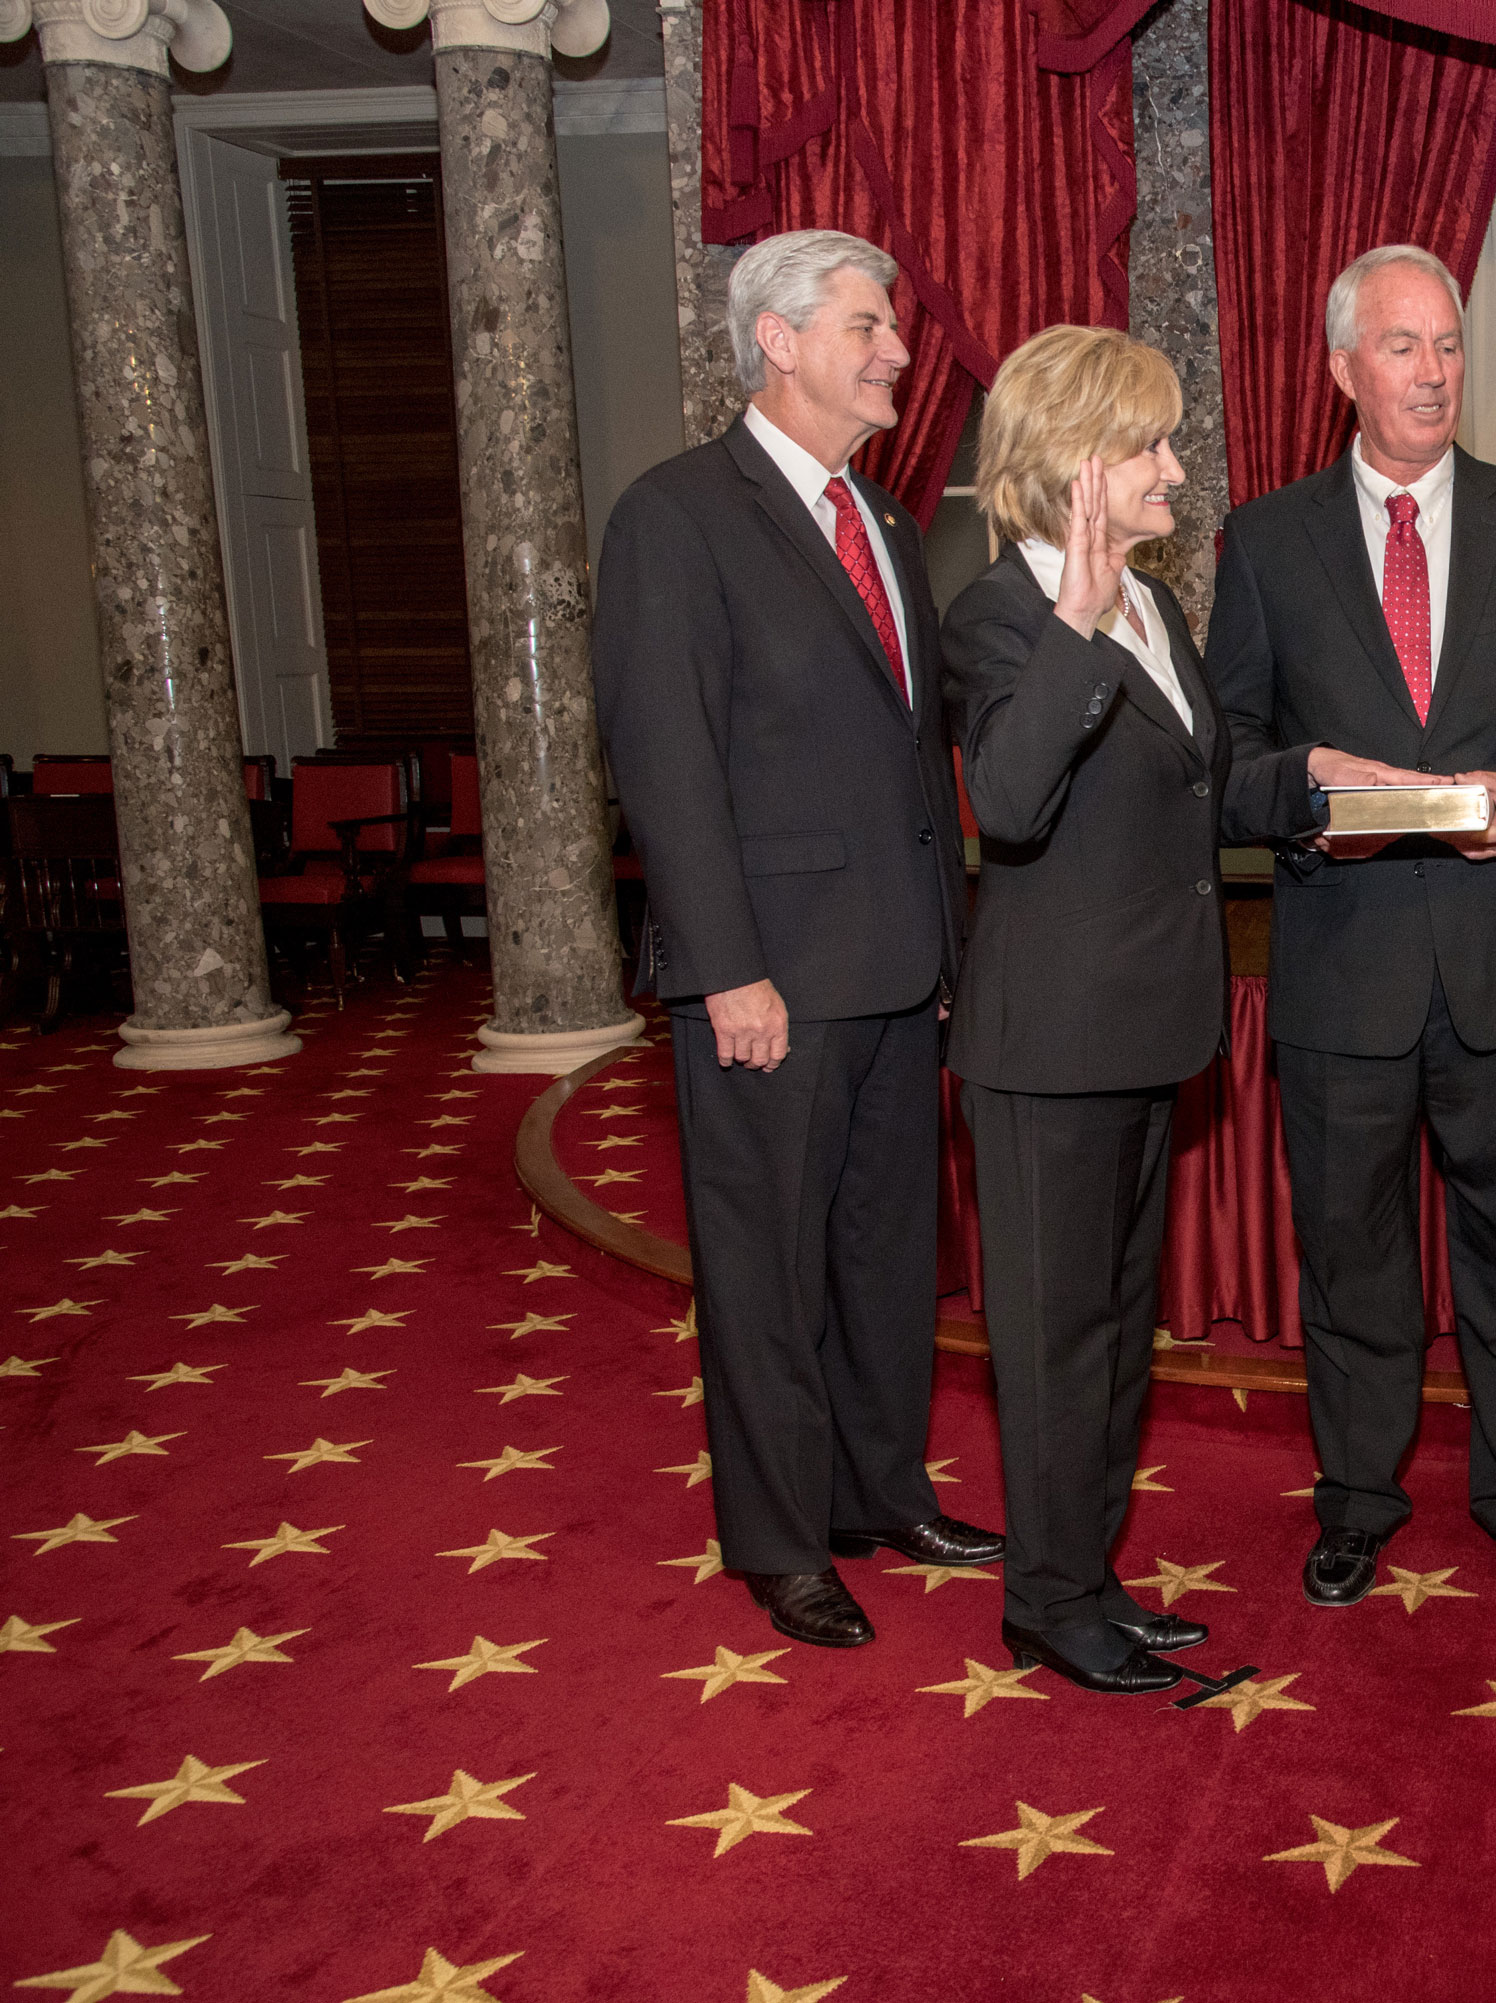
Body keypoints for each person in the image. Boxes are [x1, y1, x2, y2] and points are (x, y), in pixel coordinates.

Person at [1207, 244, 1496, 1609]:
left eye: (1449, 344)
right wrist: (1313, 782)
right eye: (1403, 346)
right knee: (1352, 1263)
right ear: (1342, 370)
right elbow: (1225, 755)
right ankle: (1357, 1498)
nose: (1435, 370)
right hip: (1343, 977)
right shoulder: (1264, 542)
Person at [594, 229, 1001, 1649]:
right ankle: (778, 1539)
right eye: (867, 327)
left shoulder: (885, 523)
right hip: (768, 974)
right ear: (776, 339)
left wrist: (948, 951)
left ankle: (877, 1494)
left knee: (889, 1257)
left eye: (889, 327)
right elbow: (667, 764)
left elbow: (908, 761)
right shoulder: (677, 515)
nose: (897, 352)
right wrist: (722, 968)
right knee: (765, 1266)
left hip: (898, 965)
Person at [939, 327, 1312, 1693]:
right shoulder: (998, 618)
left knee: (1108, 1331)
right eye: (1150, 445)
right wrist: (1079, 623)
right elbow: (1016, 803)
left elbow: (1197, 789)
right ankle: (1045, 1604)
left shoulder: (1158, 603)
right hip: (1047, 1046)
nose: (1176, 465)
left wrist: (1325, 778)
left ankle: (1087, 1576)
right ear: (1076, 467)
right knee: (1050, 1343)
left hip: (1148, 1031)